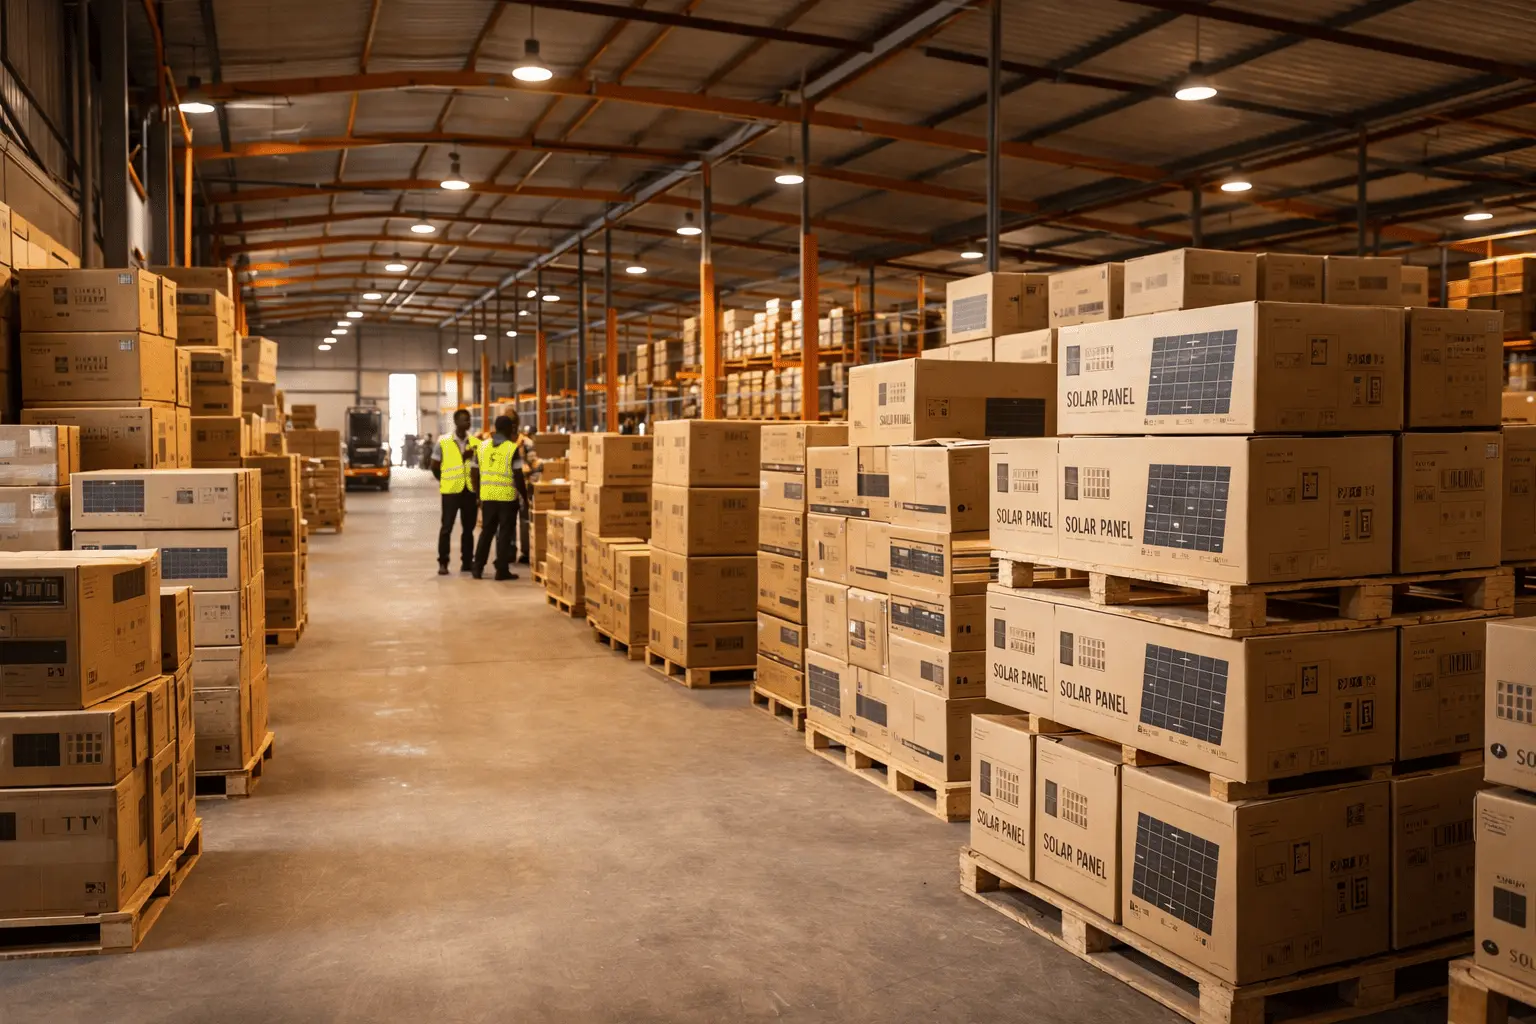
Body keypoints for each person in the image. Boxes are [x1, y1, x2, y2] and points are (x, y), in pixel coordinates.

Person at [472, 414, 529, 580]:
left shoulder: (482, 447)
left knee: (486, 532)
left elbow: (474, 472)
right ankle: (502, 570)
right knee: (504, 533)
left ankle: (477, 568)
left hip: (488, 496)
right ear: (509, 429)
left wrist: (478, 495)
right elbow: (518, 476)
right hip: (506, 498)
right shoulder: (511, 449)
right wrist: (525, 498)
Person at [431, 411, 479, 576]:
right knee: (446, 528)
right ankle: (443, 562)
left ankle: (467, 562)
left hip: (469, 491)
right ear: (456, 421)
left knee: (468, 529)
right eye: (464, 420)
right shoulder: (443, 441)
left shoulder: (475, 442)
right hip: (451, 491)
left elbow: (478, 468)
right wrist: (444, 480)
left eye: (469, 420)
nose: (468, 423)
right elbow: (434, 466)